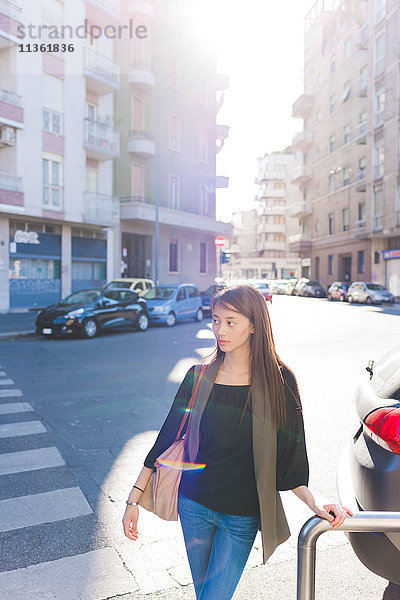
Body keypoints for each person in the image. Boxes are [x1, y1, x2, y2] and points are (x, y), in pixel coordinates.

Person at [122, 284, 352, 600]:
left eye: (231, 322)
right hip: (193, 506)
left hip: (241, 516)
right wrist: (133, 499)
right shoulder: (198, 375)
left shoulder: (279, 381)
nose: (220, 330)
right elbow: (167, 437)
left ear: (254, 324)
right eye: (216, 320)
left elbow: (291, 458)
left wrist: (315, 501)